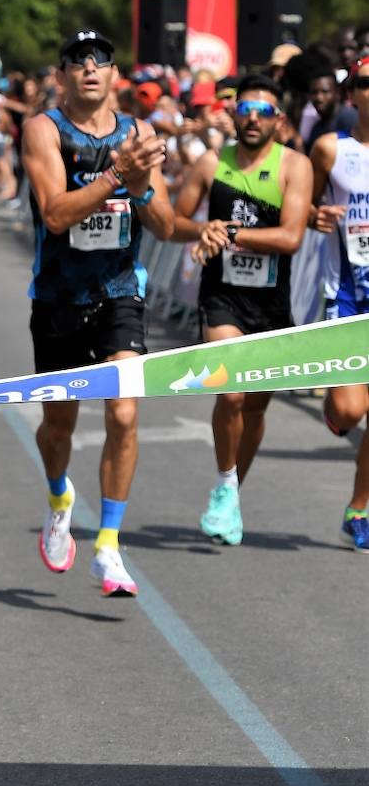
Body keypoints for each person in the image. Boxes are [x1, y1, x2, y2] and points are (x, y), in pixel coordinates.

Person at [20, 29, 173, 597]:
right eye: (78, 60)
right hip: (59, 295)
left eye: (101, 60)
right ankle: (60, 495)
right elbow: (56, 214)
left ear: (114, 76)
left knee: (125, 415)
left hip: (120, 291)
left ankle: (108, 545)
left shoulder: (139, 133)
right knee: (58, 425)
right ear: (61, 75)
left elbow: (156, 215)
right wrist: (117, 175)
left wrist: (178, 218)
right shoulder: (43, 131)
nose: (90, 67)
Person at [170, 74, 312, 545]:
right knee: (229, 392)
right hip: (222, 297)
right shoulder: (212, 163)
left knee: (254, 405)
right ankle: (226, 485)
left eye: (264, 112)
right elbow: (173, 222)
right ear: (232, 115)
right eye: (245, 110)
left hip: (270, 303)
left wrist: (229, 233)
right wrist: (200, 231)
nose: (253, 119)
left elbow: (291, 237)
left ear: (280, 121)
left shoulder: (295, 165)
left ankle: (230, 489)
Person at [310, 59, 369, 552]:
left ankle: (359, 508)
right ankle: (337, 414)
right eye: (366, 84)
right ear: (353, 96)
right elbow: (301, 206)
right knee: (351, 411)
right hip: (347, 295)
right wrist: (316, 215)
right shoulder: (332, 149)